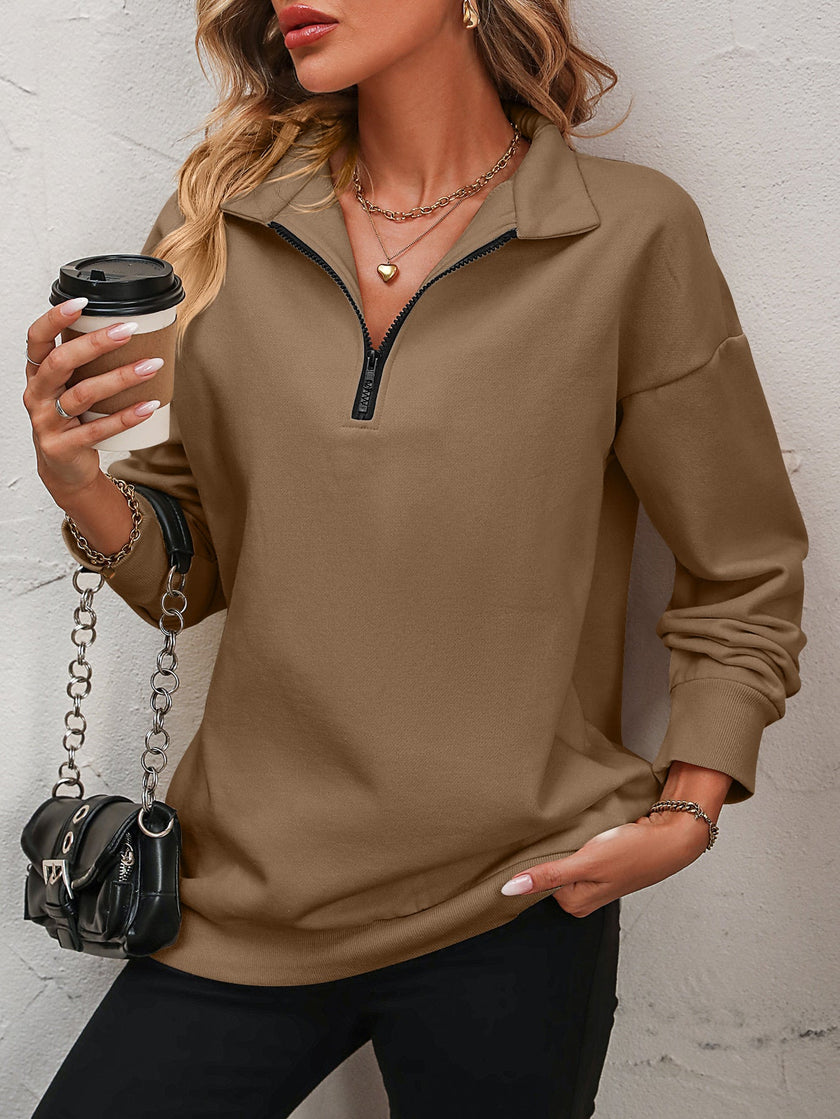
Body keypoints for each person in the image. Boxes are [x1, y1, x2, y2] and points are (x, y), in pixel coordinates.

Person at [24, 1, 808, 1116]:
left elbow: (745, 564)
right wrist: (80, 485)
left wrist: (690, 810)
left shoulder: (628, 233)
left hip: (514, 902)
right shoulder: (219, 224)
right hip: (241, 893)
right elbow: (190, 569)